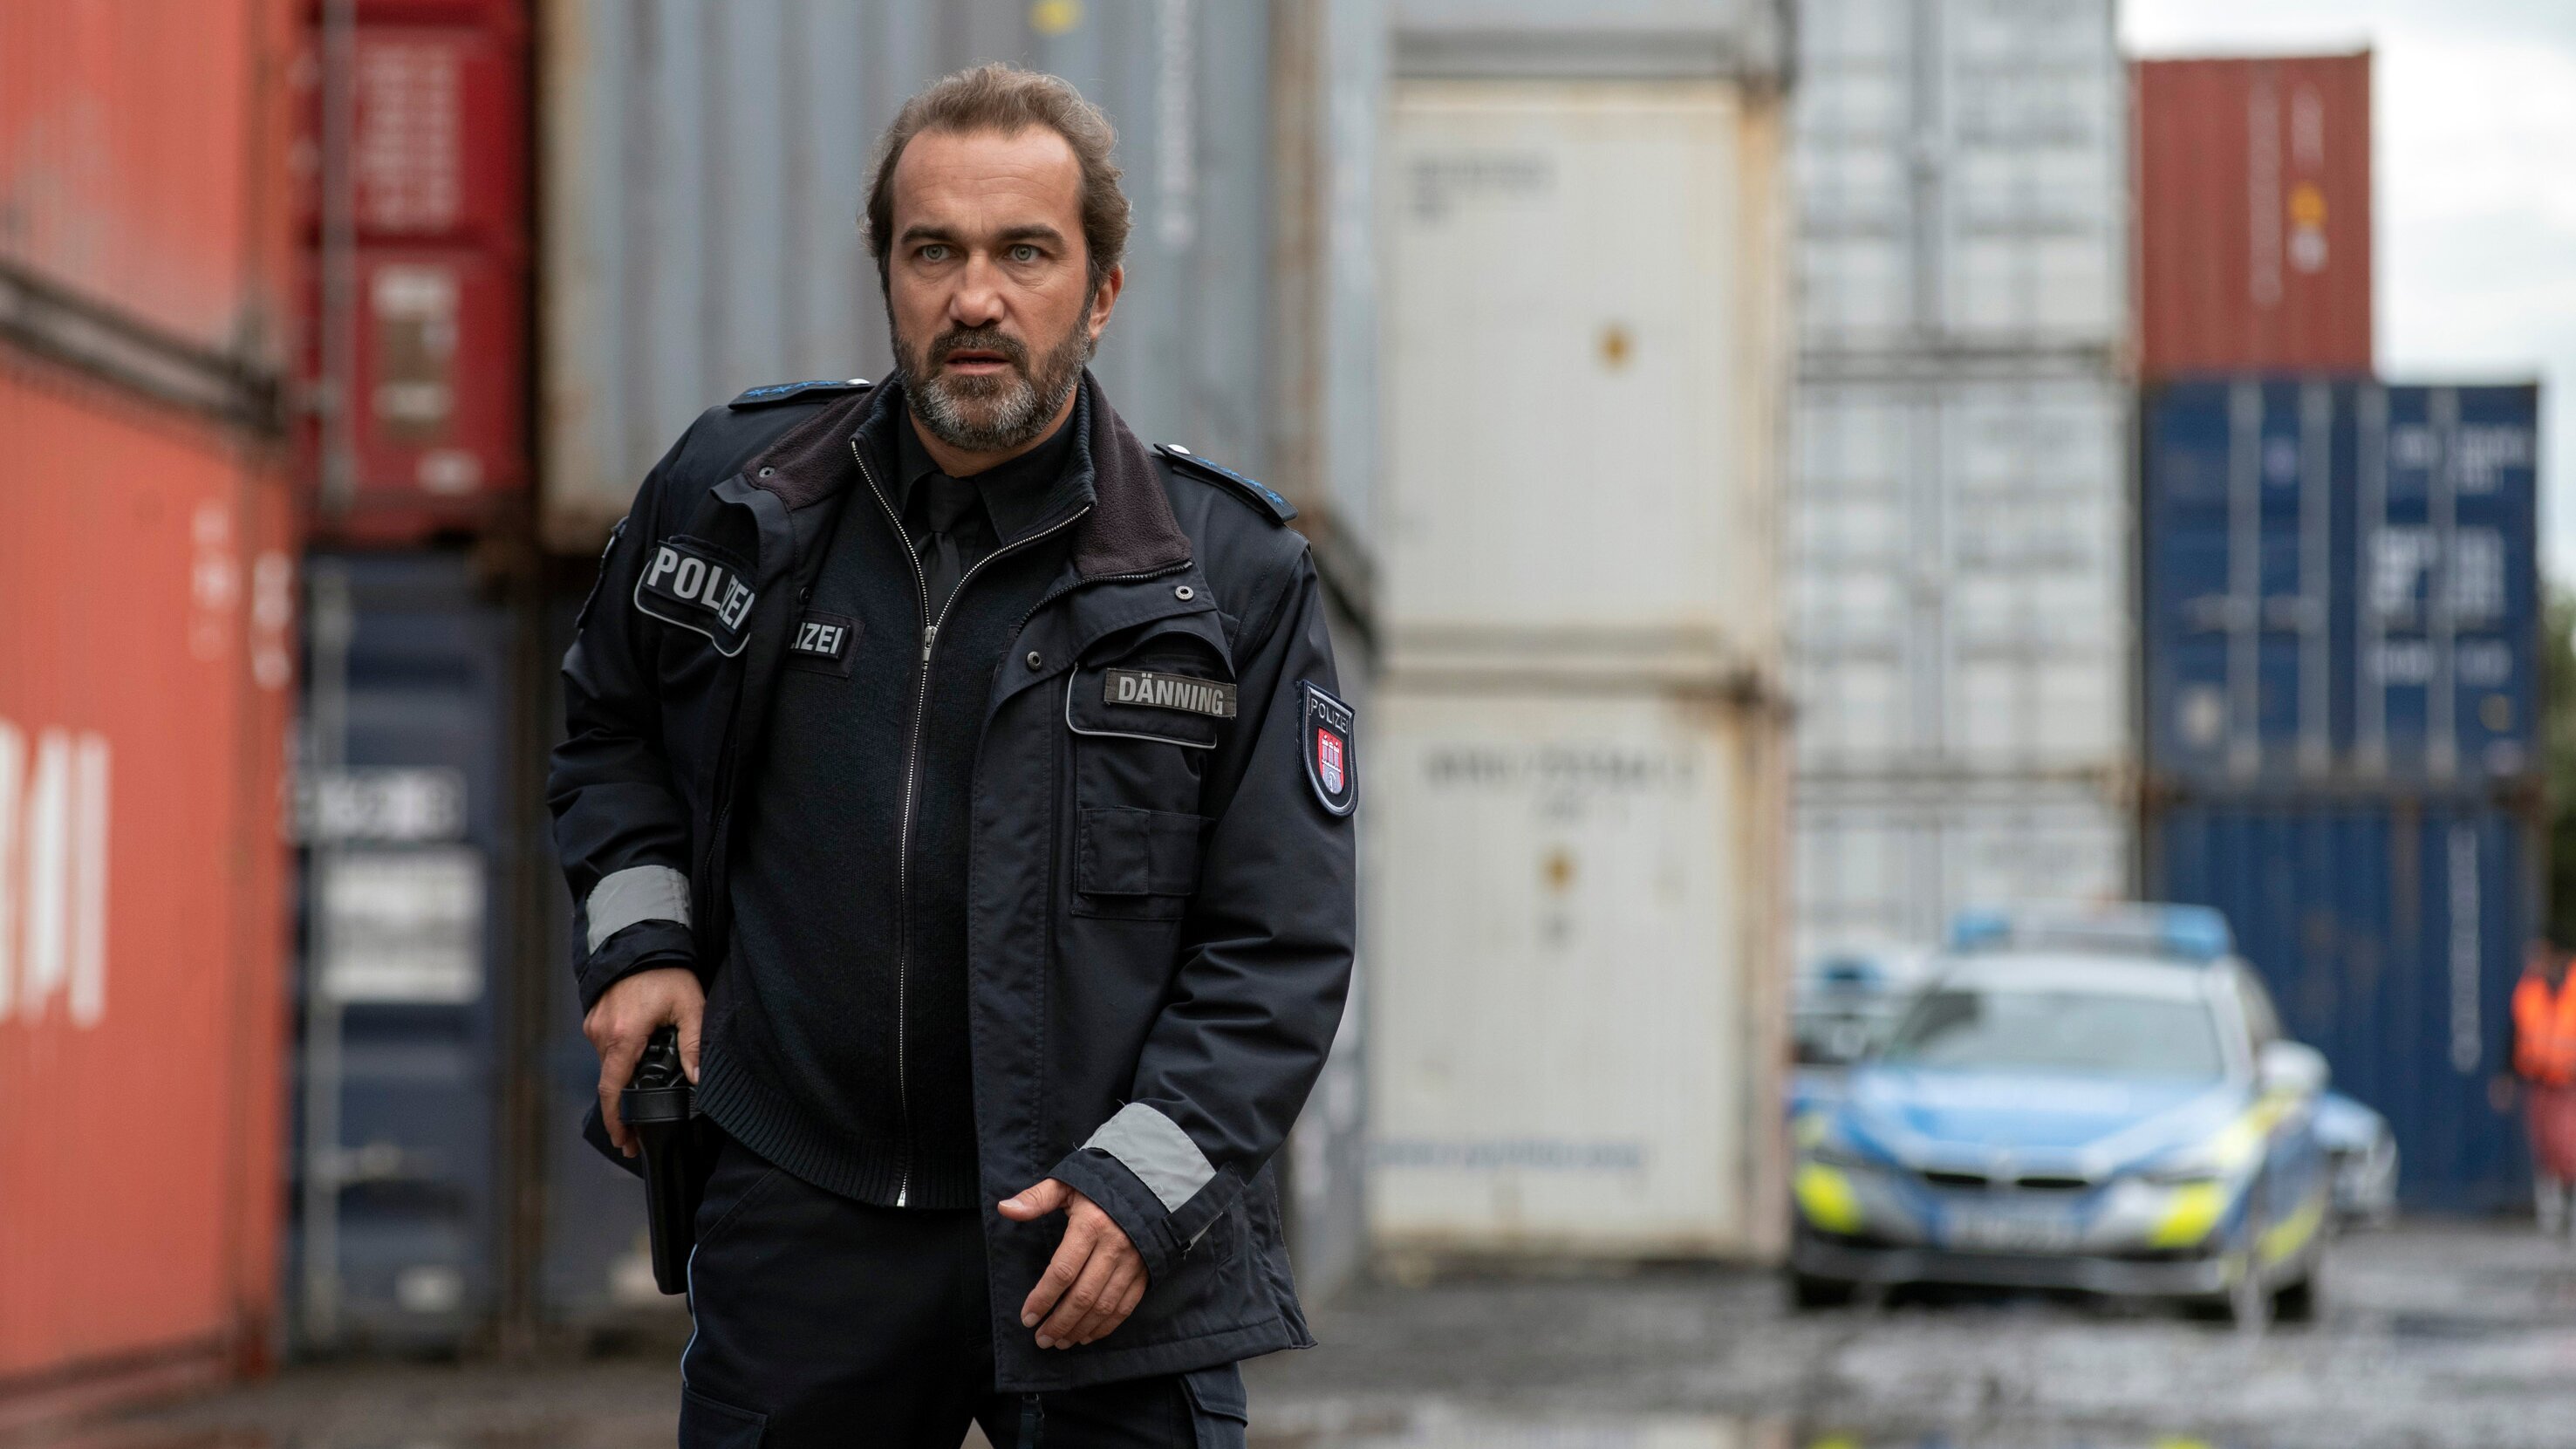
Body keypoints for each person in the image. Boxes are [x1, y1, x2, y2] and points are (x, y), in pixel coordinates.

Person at [549, 64, 1356, 1447]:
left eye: (1023, 253)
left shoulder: (1226, 581)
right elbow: (610, 726)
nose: (975, 297)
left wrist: (1142, 1191)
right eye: (935, 252)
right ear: (888, 275)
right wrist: (644, 949)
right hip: (804, 1222)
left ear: (1100, 294)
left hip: (1096, 1243)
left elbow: (1279, 941)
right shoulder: (736, 501)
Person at [2500, 941, 2576, 1237]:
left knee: (2567, 1145)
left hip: (2569, 1083)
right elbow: (2514, 1033)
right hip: (2538, 1080)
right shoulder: (2529, 990)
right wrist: (2506, 1075)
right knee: (2543, 1146)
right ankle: (2552, 1211)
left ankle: (2569, 1205)